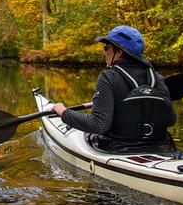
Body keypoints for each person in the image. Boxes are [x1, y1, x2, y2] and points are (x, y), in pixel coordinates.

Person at [52, 25, 176, 153]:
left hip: (118, 148)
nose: (104, 52)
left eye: (106, 48)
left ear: (119, 52)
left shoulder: (108, 77)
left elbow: (98, 125)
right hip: (160, 147)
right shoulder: (157, 78)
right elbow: (171, 119)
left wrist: (64, 113)